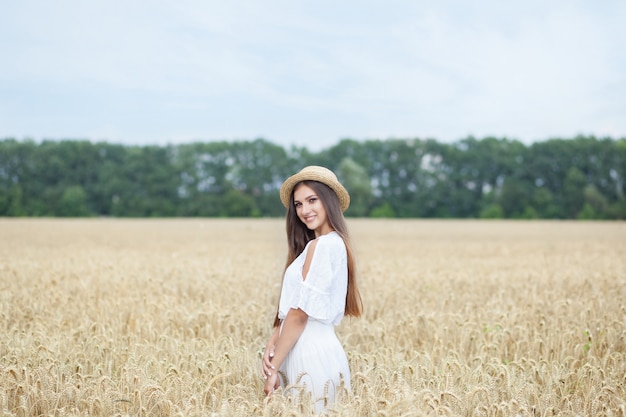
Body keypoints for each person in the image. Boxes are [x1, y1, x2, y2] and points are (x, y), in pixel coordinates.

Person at [261, 165, 363, 413]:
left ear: (329, 200)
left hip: (309, 355)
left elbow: (299, 314)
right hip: (310, 349)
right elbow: (291, 308)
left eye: (312, 200)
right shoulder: (327, 244)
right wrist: (272, 342)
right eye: (298, 204)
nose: (304, 210)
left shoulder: (323, 246)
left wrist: (274, 368)